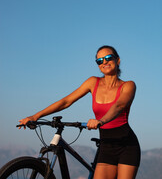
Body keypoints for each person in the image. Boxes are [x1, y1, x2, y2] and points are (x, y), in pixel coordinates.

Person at [19, 45, 141, 179]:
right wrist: (36, 116)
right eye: (100, 60)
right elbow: (66, 101)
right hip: (106, 145)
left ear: (117, 60)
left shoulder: (128, 85)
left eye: (108, 58)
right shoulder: (93, 82)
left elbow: (119, 105)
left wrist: (101, 121)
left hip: (127, 146)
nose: (104, 62)